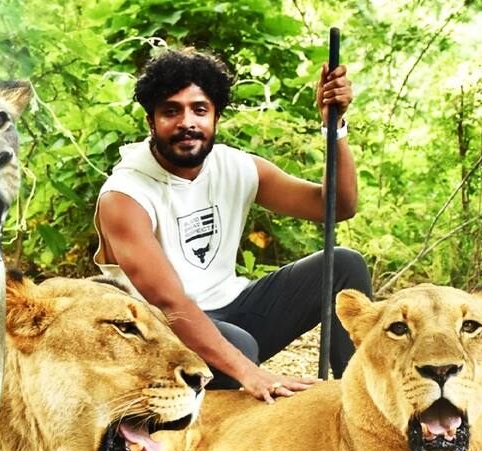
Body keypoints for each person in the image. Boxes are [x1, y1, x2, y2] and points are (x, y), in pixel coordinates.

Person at [94, 48, 370, 402]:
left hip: (232, 309)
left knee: (345, 264)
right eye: (170, 111)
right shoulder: (125, 194)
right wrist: (250, 372)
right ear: (151, 121)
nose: (186, 123)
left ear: (216, 117)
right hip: (155, 335)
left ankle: (361, 399)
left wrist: (335, 126)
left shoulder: (235, 167)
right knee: (240, 345)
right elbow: (168, 302)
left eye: (199, 109)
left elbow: (336, 206)